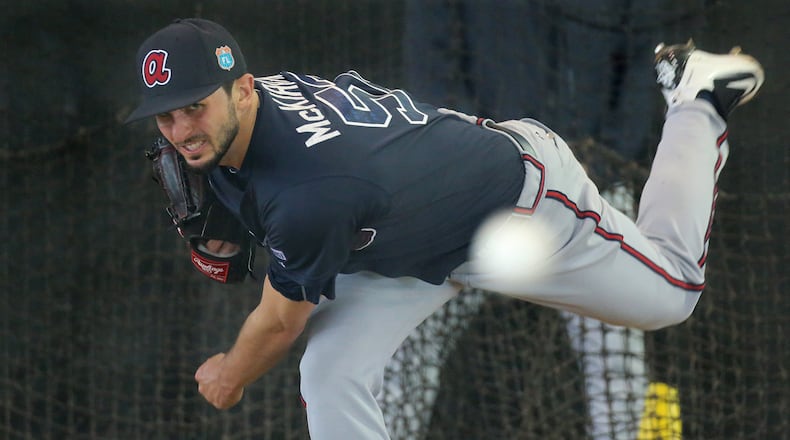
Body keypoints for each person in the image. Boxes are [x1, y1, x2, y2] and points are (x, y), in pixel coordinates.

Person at [126, 18, 764, 439]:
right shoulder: (257, 107)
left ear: (240, 90)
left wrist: (230, 375)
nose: (181, 131)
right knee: (331, 374)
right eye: (166, 116)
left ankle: (700, 99)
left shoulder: (309, 191)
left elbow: (276, 323)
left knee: (673, 295)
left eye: (194, 106)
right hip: (398, 241)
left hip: (519, 207)